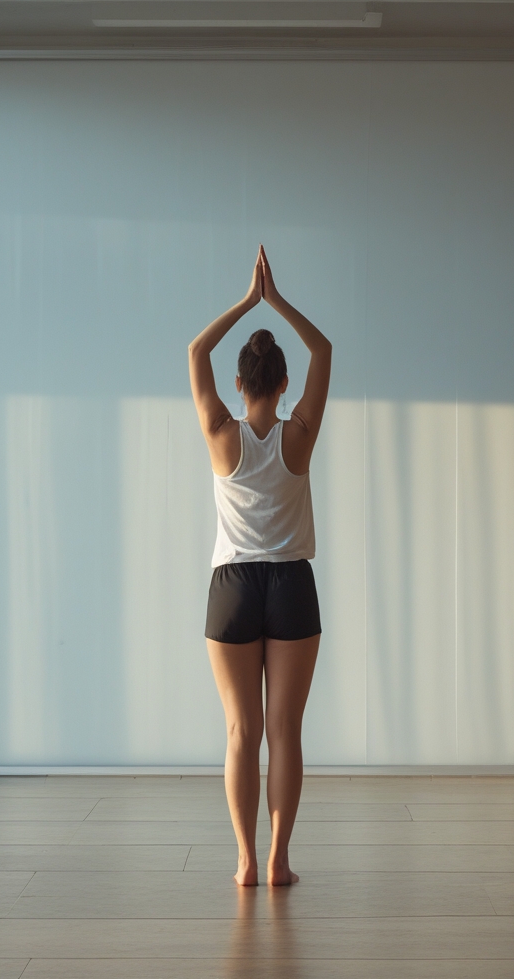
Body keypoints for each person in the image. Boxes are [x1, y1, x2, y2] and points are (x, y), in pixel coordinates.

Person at [188, 245, 332, 887]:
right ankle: (279, 861)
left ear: (240, 384)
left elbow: (196, 351)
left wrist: (248, 301)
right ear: (282, 384)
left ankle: (246, 860)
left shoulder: (222, 435)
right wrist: (277, 302)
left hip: (233, 588)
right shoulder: (299, 435)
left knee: (241, 732)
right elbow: (324, 349)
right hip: (291, 584)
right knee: (285, 732)